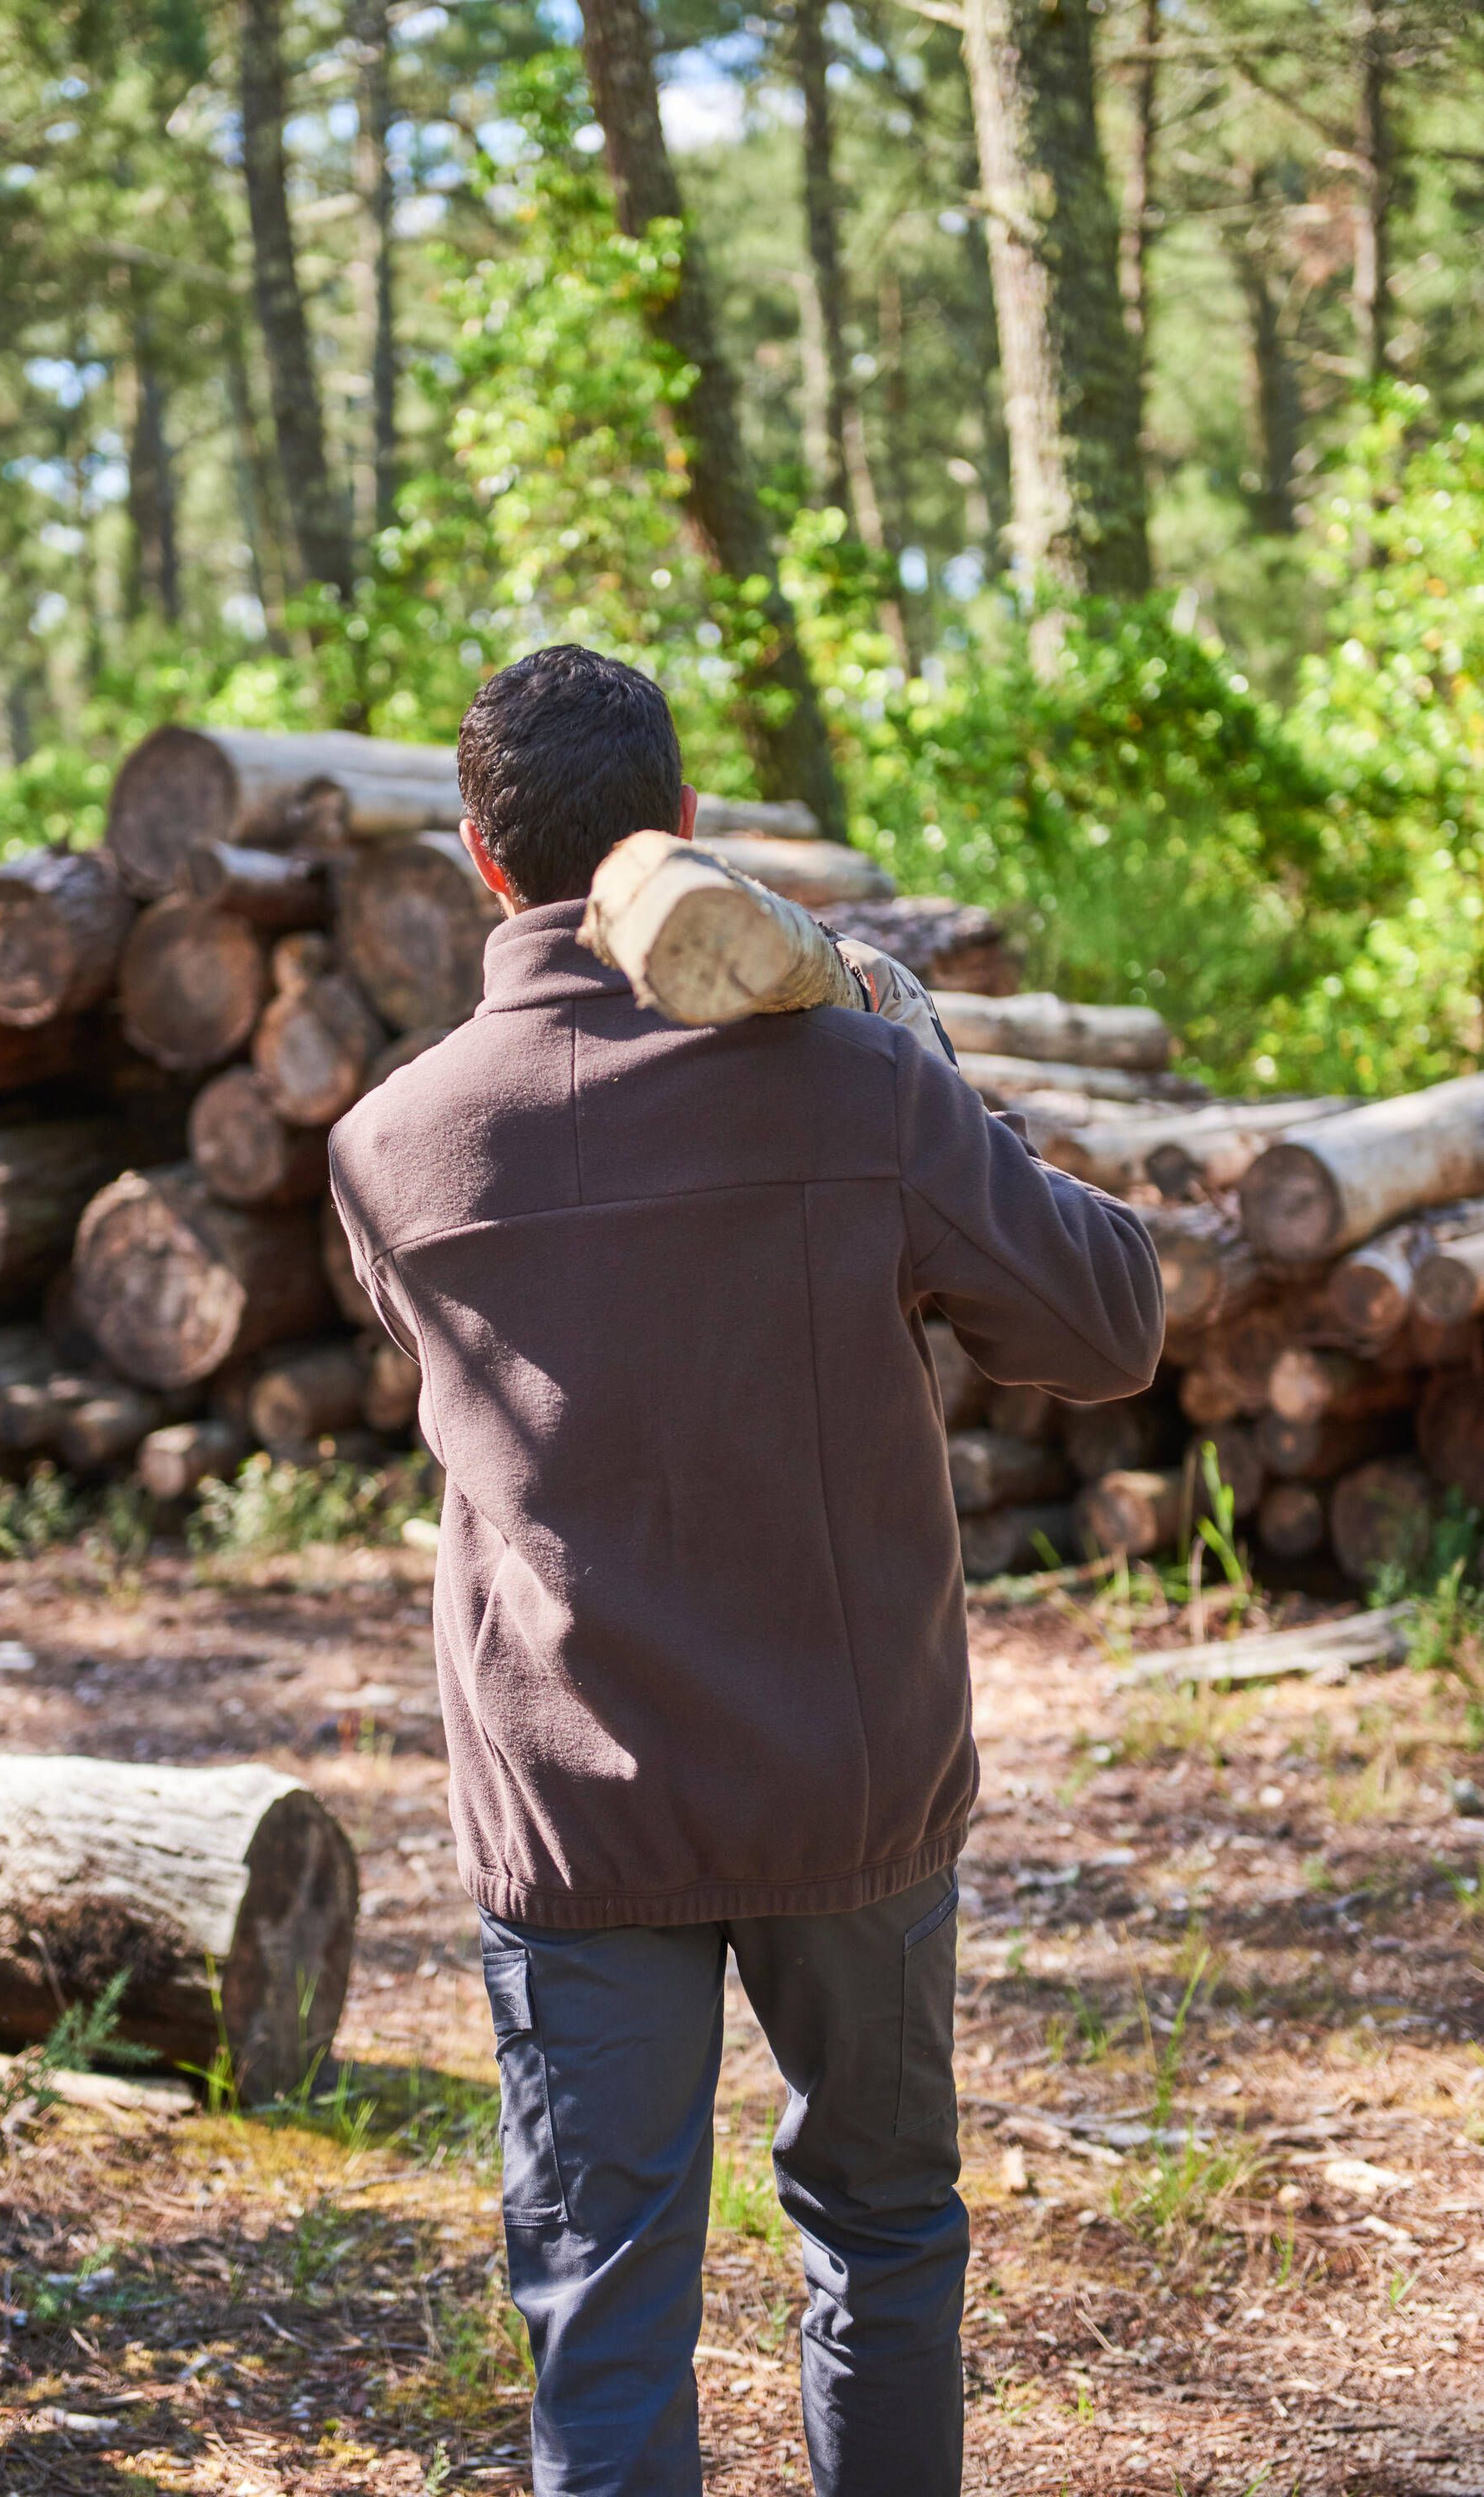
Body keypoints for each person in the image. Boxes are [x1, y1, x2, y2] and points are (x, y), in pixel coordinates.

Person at [329, 644, 1164, 2497]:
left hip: (572, 1810)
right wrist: (917, 1054)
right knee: (878, 2240)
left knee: (600, 2296)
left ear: (479, 861)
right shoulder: (854, 1088)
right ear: (692, 828)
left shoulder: (387, 1148)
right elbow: (1107, 1324)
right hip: (841, 1787)